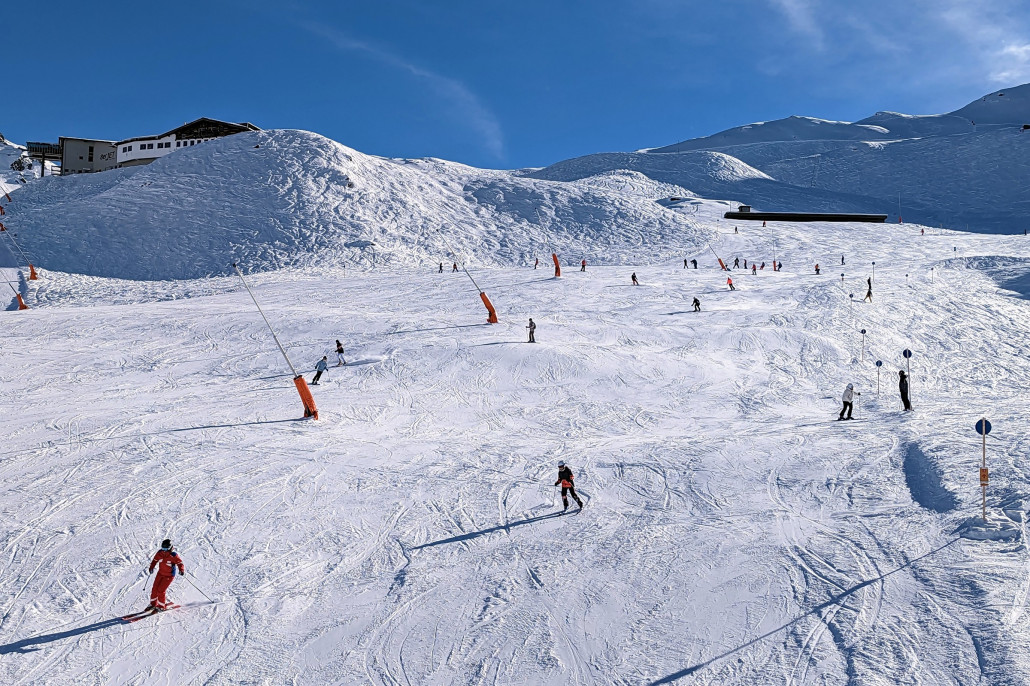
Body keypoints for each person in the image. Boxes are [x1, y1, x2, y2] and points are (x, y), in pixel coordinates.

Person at [148, 539, 185, 610]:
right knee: (155, 588)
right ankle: (153, 604)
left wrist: (181, 570)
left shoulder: (173, 555)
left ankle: (161, 606)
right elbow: (154, 561)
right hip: (160, 573)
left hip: (169, 575)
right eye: (163, 548)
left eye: (166, 549)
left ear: (170, 548)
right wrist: (151, 567)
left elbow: (180, 563)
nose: (164, 550)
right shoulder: (159, 553)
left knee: (161, 590)